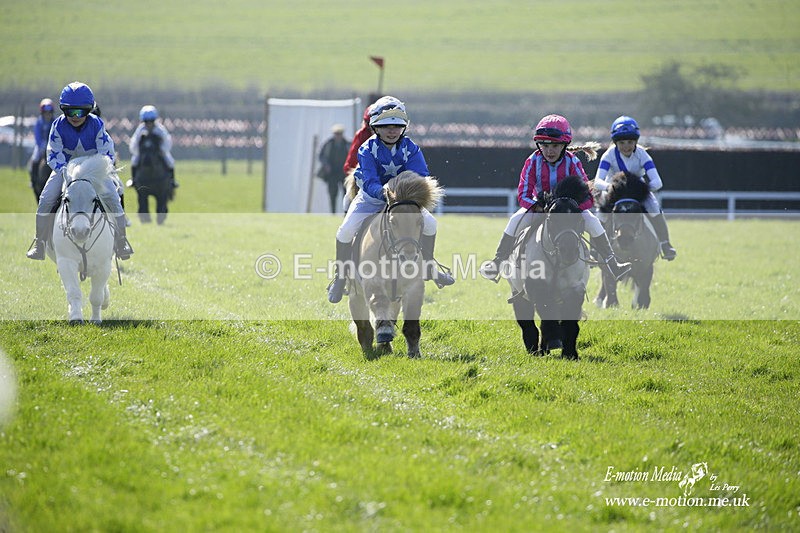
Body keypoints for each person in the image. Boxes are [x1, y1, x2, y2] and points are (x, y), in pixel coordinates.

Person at [326, 96, 455, 303]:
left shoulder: (411, 148)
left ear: (404, 127)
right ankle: (340, 279)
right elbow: (369, 181)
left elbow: (420, 174)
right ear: (376, 127)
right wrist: (383, 193)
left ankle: (429, 266)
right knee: (345, 231)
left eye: (397, 126)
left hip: (403, 200)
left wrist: (405, 194)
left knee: (431, 224)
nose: (392, 130)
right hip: (371, 199)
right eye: (386, 126)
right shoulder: (366, 149)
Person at [479, 114, 631, 281]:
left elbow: (587, 196)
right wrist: (537, 206)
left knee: (594, 222)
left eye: (555, 146)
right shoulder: (532, 161)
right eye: (545, 146)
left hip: (569, 211)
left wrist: (572, 209)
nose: (549, 151)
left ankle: (613, 264)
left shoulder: (573, 162)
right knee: (515, 220)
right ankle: (497, 263)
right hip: (540, 208)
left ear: (564, 145)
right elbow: (523, 195)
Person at [25, 81, 133, 261]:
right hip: (65, 170)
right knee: (45, 199)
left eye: (80, 112)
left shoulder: (97, 124)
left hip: (93, 171)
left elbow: (106, 152)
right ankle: (40, 243)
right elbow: (53, 153)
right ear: (63, 110)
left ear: (89, 110)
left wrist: (97, 170)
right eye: (70, 112)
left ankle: (122, 241)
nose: (75, 116)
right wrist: (66, 172)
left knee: (113, 197)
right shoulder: (58, 125)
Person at [594, 116, 677, 260]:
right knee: (601, 213)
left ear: (636, 142)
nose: (626, 146)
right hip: (614, 190)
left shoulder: (642, 154)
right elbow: (597, 181)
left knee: (654, 207)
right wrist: (611, 187)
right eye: (622, 143)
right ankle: (594, 250)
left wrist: (641, 189)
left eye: (630, 142)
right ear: (615, 142)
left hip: (636, 190)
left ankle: (665, 244)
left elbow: (658, 182)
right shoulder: (608, 155)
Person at [129, 105, 178, 191]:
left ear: (154, 120)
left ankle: (172, 181)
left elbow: (167, 141)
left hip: (158, 152)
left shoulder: (160, 129)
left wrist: (162, 150)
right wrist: (138, 152)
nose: (149, 123)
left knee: (170, 162)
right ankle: (133, 180)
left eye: (151, 121)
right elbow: (134, 142)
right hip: (144, 153)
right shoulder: (140, 129)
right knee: (134, 161)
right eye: (146, 121)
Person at [317, 124, 350, 213]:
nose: (338, 135)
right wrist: (326, 165)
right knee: (332, 193)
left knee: (346, 193)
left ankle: (346, 212)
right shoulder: (328, 144)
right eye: (336, 133)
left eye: (340, 133)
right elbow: (321, 156)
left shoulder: (347, 144)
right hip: (332, 173)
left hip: (344, 173)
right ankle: (333, 212)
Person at [28, 98, 56, 189]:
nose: (48, 115)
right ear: (42, 113)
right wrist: (41, 146)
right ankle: (33, 179)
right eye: (45, 113)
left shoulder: (55, 122)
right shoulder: (39, 122)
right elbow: (38, 136)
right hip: (41, 146)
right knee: (35, 158)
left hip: (52, 146)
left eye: (49, 112)